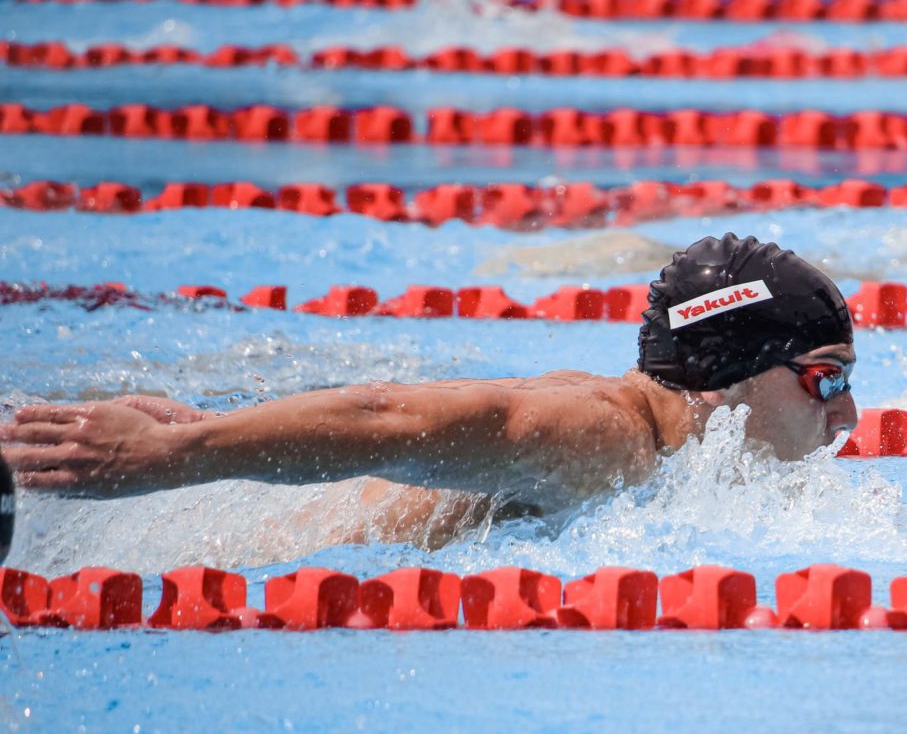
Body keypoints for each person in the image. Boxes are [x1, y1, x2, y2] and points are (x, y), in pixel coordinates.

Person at [0, 234, 857, 540]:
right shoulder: (603, 437)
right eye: (825, 381)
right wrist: (178, 451)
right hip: (180, 555)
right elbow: (386, 413)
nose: (849, 416)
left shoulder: (648, 445)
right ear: (730, 376)